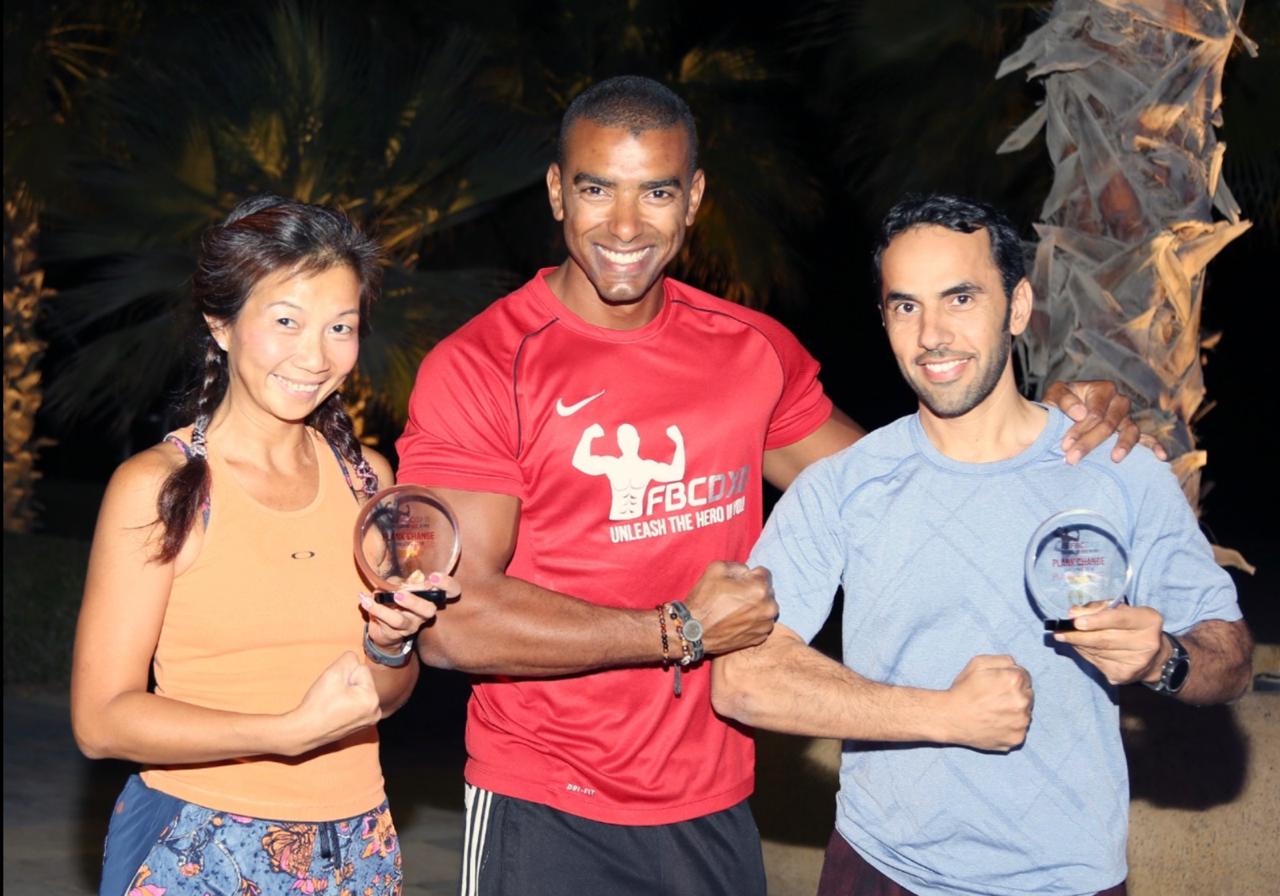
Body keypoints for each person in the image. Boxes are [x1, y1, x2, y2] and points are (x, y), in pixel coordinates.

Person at [395, 77, 1144, 896]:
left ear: (693, 199)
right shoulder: (484, 365)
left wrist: (1044, 421)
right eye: (596, 189)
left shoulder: (748, 351)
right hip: (546, 801)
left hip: (714, 800)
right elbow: (453, 622)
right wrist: (678, 630)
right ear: (556, 192)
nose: (624, 225)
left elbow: (904, 490)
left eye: (656, 193)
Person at [711, 193, 1254, 896]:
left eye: (961, 298)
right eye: (906, 306)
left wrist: (1163, 659)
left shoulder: (1119, 469)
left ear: (1018, 307)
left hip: (1066, 880)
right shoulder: (844, 485)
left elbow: (1230, 657)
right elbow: (744, 678)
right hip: (883, 869)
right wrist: (944, 715)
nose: (932, 334)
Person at [70, 195, 454, 896]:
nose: (315, 355)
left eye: (340, 327)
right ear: (221, 323)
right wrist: (282, 732)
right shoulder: (161, 488)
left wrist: (391, 644)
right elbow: (101, 720)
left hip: (357, 844)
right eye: (286, 321)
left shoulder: (369, 481)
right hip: (198, 842)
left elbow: (382, 698)